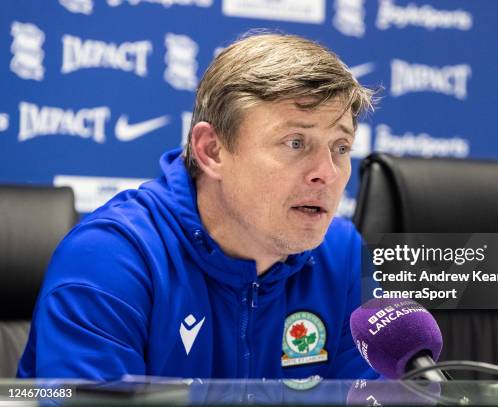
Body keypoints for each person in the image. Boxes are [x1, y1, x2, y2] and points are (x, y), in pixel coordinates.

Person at [17, 32, 377, 380]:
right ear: (211, 150)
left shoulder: (341, 253)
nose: (327, 173)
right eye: (296, 142)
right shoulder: (111, 259)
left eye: (341, 148)